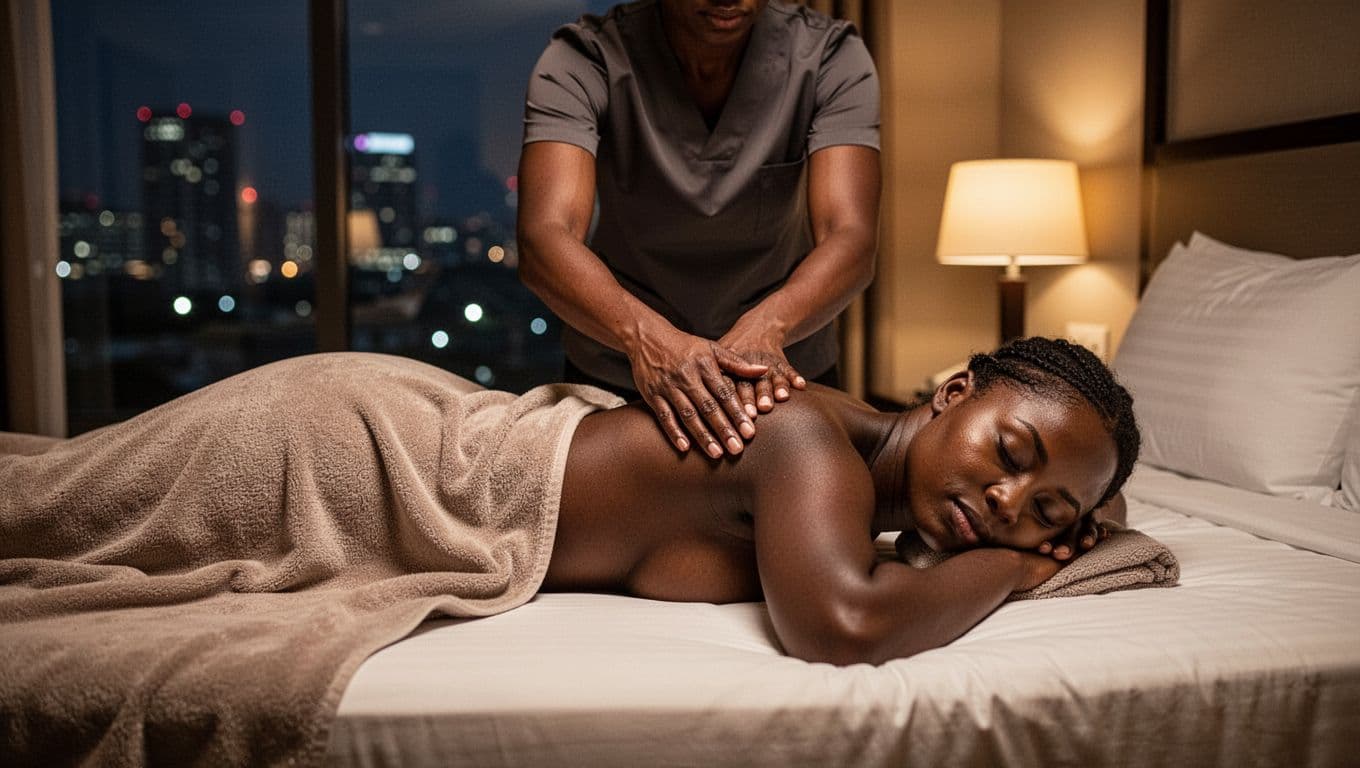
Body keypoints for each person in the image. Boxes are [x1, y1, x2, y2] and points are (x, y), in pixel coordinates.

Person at [1, 337, 1135, 668]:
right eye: (1013, 450)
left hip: (389, 456)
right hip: (349, 452)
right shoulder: (810, 446)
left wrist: (1018, 547)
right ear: (952, 391)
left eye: (1047, 512)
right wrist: (1019, 567)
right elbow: (842, 625)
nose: (1007, 498)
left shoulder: (840, 468)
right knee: (38, 505)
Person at [518, 0, 881, 460]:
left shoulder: (830, 55)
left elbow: (851, 237)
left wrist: (767, 329)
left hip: (779, 371)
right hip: (620, 372)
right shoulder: (582, 58)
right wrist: (646, 339)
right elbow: (544, 238)